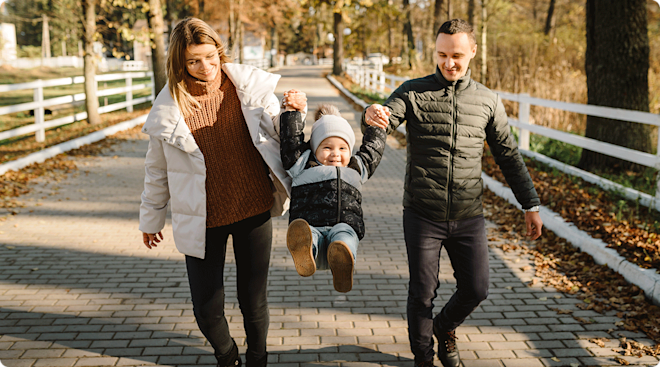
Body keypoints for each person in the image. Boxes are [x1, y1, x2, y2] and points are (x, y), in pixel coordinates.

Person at [363, 19, 543, 367]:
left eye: (457, 55)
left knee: (477, 289)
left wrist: (530, 204)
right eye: (442, 55)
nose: (449, 63)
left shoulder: (488, 100)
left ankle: (445, 328)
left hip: (468, 215)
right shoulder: (412, 91)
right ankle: (425, 359)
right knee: (422, 295)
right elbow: (385, 119)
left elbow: (508, 154)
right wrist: (370, 115)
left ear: (473, 52)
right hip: (422, 213)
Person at [138, 17, 306, 367]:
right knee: (207, 306)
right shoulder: (168, 108)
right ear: (179, 62)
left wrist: (294, 112)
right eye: (194, 61)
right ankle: (227, 355)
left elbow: (278, 132)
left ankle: (257, 358)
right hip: (203, 218)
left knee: (253, 299)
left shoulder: (247, 87)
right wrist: (151, 218)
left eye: (211, 57)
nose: (206, 67)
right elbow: (157, 170)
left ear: (220, 51)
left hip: (253, 208)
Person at [279, 97, 386, 293]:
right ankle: (305, 252)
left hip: (343, 226)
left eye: (342, 148)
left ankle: (342, 261)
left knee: (345, 234)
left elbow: (373, 150)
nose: (335, 154)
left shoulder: (356, 168)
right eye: (327, 147)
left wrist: (376, 127)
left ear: (350, 150)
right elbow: (290, 142)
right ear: (314, 149)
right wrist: (292, 112)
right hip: (313, 227)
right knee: (309, 234)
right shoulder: (301, 164)